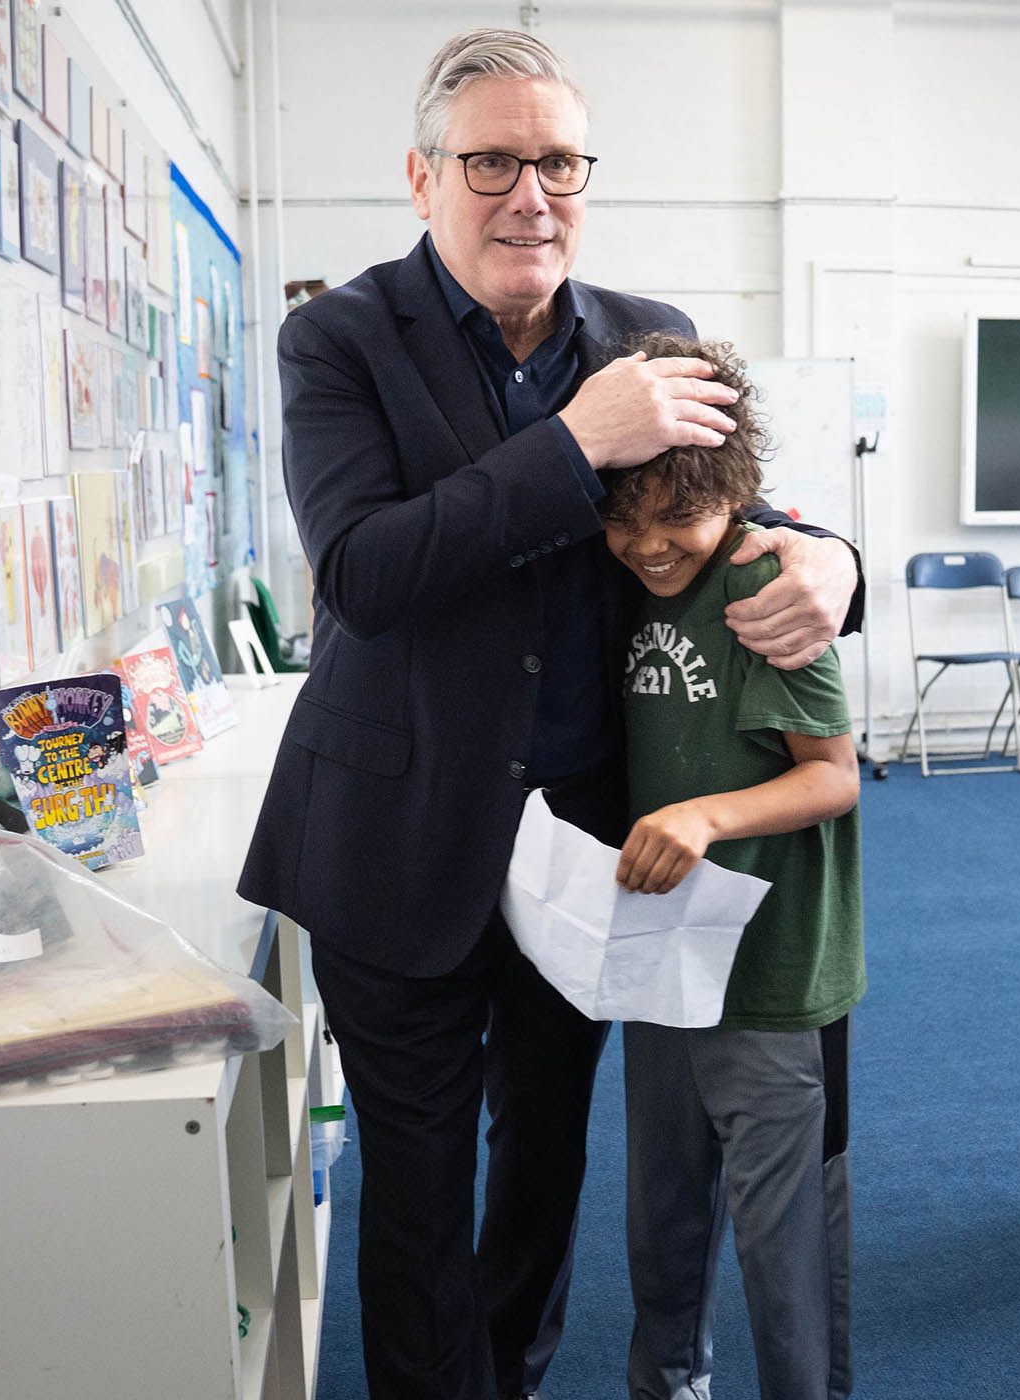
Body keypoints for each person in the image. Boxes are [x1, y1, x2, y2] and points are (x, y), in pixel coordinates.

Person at [236, 28, 864, 1400]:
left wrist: (837, 562)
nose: (532, 193)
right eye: (493, 162)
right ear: (422, 178)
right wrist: (578, 442)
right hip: (394, 832)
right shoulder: (337, 339)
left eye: (560, 161)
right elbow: (362, 573)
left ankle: (512, 1374)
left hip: (579, 843)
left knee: (545, 1161)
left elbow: (723, 524)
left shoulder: (650, 341)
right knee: (416, 1184)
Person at [600, 334, 863, 1400]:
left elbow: (833, 776)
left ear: (737, 496)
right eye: (626, 522)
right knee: (660, 1208)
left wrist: (706, 813)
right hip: (660, 951)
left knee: (781, 1233)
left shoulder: (765, 583)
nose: (652, 546)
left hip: (770, 969)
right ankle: (667, 1379)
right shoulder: (617, 581)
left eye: (679, 521)